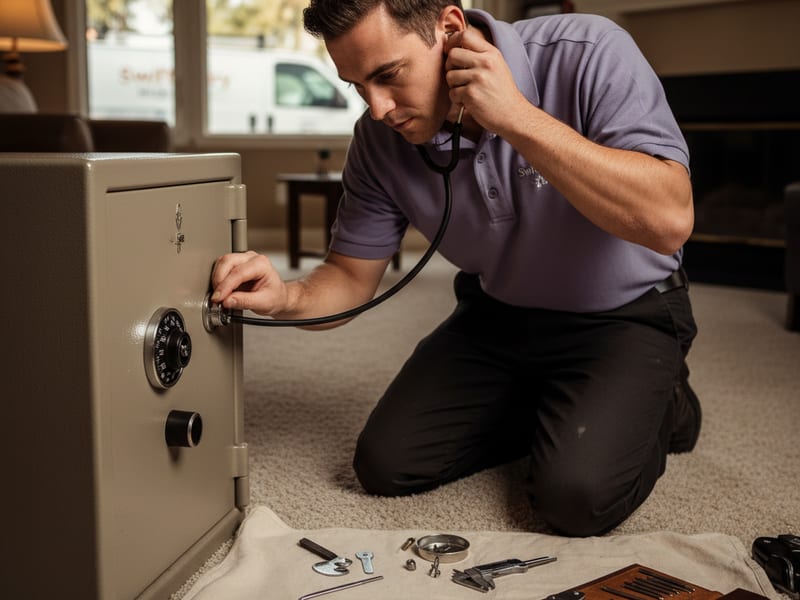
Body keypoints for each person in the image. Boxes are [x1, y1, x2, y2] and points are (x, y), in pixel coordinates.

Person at [211, 0, 701, 537]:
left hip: (625, 314)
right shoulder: (378, 140)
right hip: (499, 316)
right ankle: (560, 404)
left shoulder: (586, 51)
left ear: (449, 30)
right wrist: (286, 297)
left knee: (574, 498)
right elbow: (350, 278)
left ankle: (667, 400)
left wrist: (514, 116)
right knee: (387, 464)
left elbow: (669, 219)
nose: (377, 109)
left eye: (387, 75)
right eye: (356, 85)